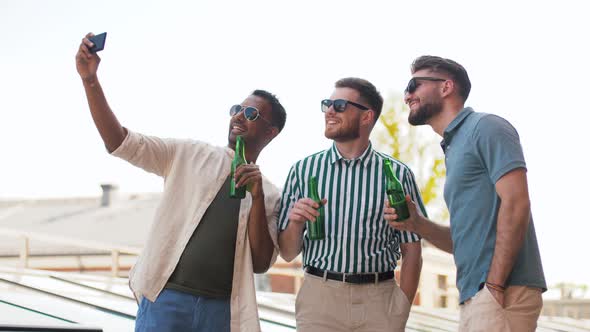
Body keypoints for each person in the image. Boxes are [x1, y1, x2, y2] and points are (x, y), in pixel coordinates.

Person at [75, 33, 287, 332]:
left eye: (251, 113)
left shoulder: (271, 194)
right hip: (166, 299)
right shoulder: (188, 154)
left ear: (272, 132)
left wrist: (256, 195)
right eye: (236, 109)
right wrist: (90, 81)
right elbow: (119, 142)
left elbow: (262, 263)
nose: (239, 116)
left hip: (222, 310)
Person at [387, 55, 546, 332]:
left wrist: (494, 286)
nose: (407, 95)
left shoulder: (486, 127)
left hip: (502, 291)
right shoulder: (454, 147)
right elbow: (462, 240)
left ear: (446, 87)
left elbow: (517, 202)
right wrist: (417, 224)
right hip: (477, 294)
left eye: (414, 85)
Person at [278, 77, 424, 332]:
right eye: (328, 104)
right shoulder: (302, 170)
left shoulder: (398, 175)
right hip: (319, 300)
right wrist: (295, 222)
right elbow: (288, 252)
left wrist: (401, 309)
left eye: (340, 105)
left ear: (367, 116)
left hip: (380, 302)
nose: (330, 111)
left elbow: (412, 251)